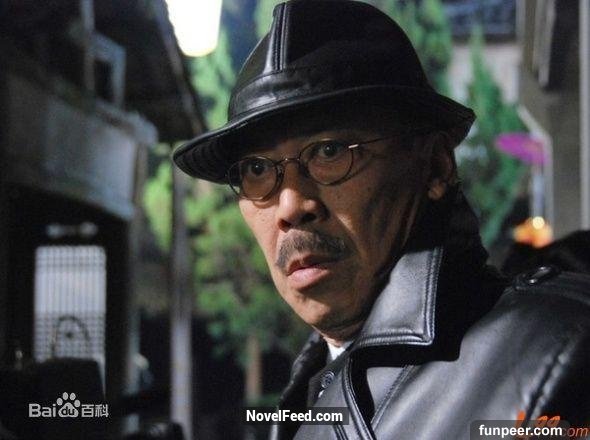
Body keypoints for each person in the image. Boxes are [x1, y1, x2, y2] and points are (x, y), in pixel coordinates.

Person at [173, 1, 590, 439]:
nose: (291, 205)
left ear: (436, 165)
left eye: (330, 151)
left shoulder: (558, 355)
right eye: (257, 170)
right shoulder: (309, 391)